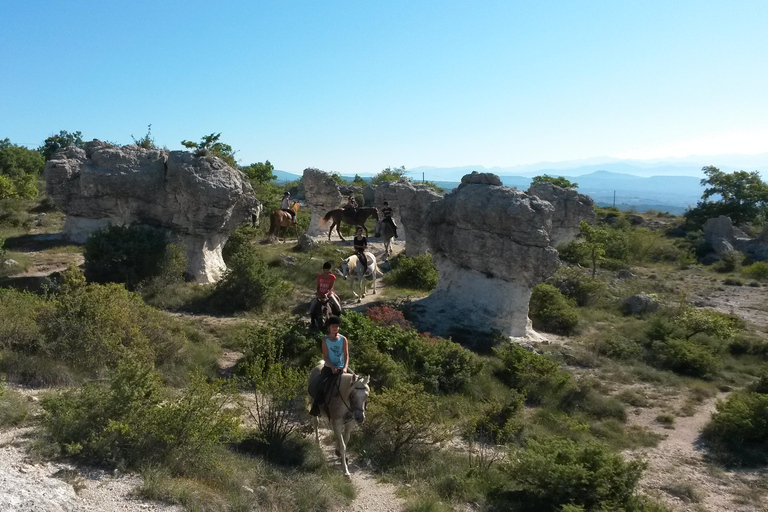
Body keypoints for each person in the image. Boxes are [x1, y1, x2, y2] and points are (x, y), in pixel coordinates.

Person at [310, 315, 349, 416]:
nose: (335, 328)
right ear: (329, 327)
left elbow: (346, 355)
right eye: (333, 326)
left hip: (342, 366)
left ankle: (357, 409)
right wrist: (332, 367)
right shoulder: (325, 340)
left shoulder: (343, 339)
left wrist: (345, 367)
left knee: (356, 383)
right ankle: (316, 407)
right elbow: (326, 356)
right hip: (329, 367)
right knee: (321, 384)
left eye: (336, 326)